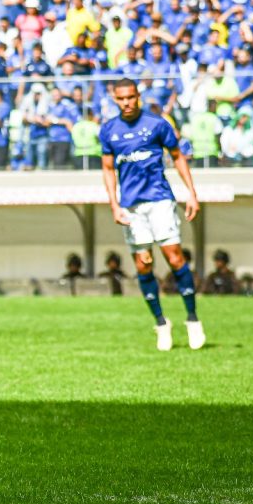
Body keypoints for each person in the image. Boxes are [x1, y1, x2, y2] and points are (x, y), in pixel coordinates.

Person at [100, 79, 205, 351]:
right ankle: (161, 323)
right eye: (121, 99)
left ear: (138, 97)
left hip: (159, 199)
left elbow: (178, 156)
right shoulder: (109, 130)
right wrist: (114, 204)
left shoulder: (157, 124)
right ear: (115, 99)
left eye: (131, 97)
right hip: (131, 207)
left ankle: (192, 319)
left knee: (174, 257)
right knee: (144, 264)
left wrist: (191, 192)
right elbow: (108, 170)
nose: (126, 103)